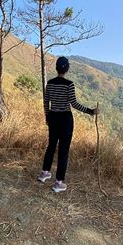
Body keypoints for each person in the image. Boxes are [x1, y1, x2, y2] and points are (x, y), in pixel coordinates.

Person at [37, 56, 99, 193]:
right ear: (67, 69)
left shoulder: (50, 84)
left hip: (52, 117)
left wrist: (47, 116)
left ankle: (44, 173)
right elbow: (74, 104)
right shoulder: (69, 84)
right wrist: (91, 111)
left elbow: (46, 102)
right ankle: (59, 183)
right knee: (63, 150)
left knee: (51, 146)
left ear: (56, 68)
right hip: (65, 119)